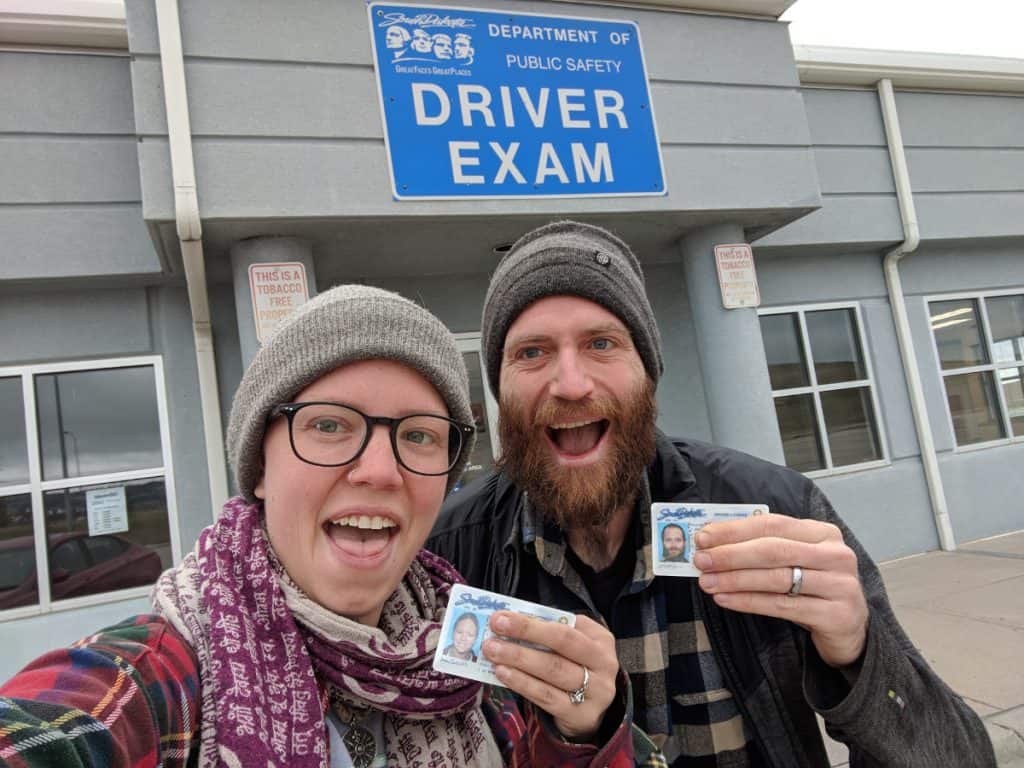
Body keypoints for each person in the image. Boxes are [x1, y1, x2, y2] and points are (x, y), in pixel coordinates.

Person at [428, 221, 996, 767]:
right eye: (531, 352)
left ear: (648, 374)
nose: (571, 383)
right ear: (499, 386)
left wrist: (859, 655)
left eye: (602, 343)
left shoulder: (776, 511)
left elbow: (963, 755)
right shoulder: (447, 557)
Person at [0, 285, 633, 768]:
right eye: (329, 425)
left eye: (418, 435)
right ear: (259, 470)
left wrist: (584, 734)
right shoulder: (161, 681)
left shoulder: (474, 669)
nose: (381, 471)